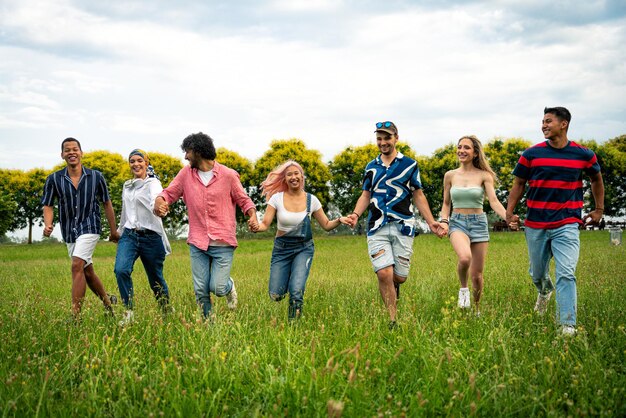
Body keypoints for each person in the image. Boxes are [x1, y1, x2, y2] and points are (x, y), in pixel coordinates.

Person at [506, 107, 604, 336]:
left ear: (564, 124)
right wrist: (509, 213)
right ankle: (544, 291)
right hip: (536, 223)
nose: (543, 125)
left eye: (548, 121)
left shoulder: (584, 155)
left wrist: (599, 209)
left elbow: (596, 179)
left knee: (566, 272)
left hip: (567, 222)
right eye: (542, 121)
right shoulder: (530, 154)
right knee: (538, 274)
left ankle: (567, 324)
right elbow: (518, 184)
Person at [347, 121, 442, 329]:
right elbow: (366, 195)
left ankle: (394, 286)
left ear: (396, 138)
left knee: (399, 276)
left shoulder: (409, 165)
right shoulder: (371, 167)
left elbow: (418, 194)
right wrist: (355, 214)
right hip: (377, 226)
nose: (383, 142)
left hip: (403, 226)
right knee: (384, 273)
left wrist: (431, 222)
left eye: (387, 138)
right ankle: (392, 319)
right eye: (379, 139)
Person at [153, 132, 257, 320]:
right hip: (198, 242)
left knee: (216, 287)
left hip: (223, 241)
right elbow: (169, 193)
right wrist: (159, 201)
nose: (185, 157)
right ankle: (209, 324)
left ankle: (228, 286)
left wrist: (253, 216)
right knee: (200, 288)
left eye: (188, 152)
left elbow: (244, 200)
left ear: (198, 151)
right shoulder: (186, 174)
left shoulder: (228, 175)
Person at [253, 160, 350, 320]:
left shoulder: (312, 200)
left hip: (303, 249)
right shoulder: (276, 199)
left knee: (296, 290)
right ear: (284, 179)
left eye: (296, 173)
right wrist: (256, 227)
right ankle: (289, 276)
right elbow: (264, 224)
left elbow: (326, 224)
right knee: (276, 294)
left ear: (302, 176)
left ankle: (293, 327)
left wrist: (339, 219)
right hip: (282, 249)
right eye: (289, 174)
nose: (293, 177)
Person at [42, 137, 119, 319]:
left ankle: (75, 317)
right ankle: (109, 305)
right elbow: (48, 205)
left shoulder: (96, 177)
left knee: (77, 264)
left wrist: (113, 230)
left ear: (81, 153)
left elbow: (107, 203)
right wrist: (48, 224)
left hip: (90, 226)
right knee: (87, 271)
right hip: (69, 231)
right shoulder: (54, 179)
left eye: (75, 149)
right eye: (67, 150)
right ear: (62, 155)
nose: (71, 152)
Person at [439, 135, 509, 315]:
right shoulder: (450, 175)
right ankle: (463, 290)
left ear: (475, 153)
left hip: (478, 223)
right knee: (464, 258)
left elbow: (493, 201)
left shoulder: (484, 176)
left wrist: (508, 216)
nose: (461, 151)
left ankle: (477, 309)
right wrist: (444, 222)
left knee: (477, 276)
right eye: (459, 147)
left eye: (467, 148)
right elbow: (446, 204)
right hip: (457, 223)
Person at [114, 149, 172, 326]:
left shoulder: (153, 183)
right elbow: (126, 212)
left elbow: (157, 198)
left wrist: (160, 206)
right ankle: (129, 311)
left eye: (139, 160)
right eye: (132, 161)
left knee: (155, 278)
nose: (136, 164)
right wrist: (118, 231)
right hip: (130, 235)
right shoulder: (127, 185)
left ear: (147, 163)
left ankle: (166, 309)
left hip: (151, 237)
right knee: (121, 270)